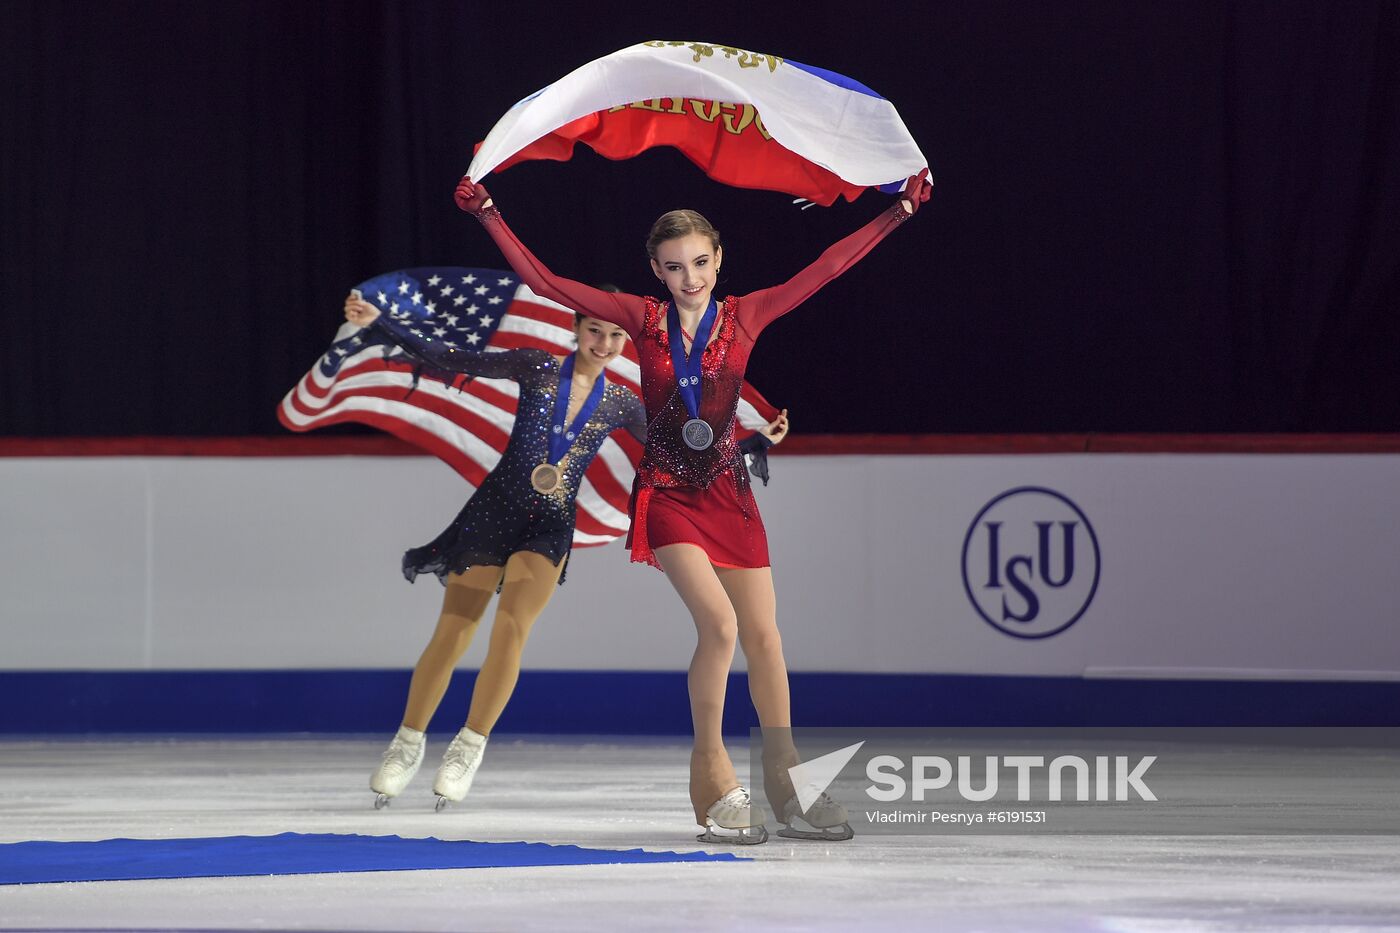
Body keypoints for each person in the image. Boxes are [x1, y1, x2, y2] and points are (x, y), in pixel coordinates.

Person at [452, 168, 932, 842]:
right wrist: (490, 213)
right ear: (655, 268)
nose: (690, 277)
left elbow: (825, 268)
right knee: (721, 627)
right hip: (670, 494)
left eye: (700, 262)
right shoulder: (642, 322)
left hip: (731, 495)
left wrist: (899, 213)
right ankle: (711, 779)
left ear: (718, 261)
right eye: (674, 266)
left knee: (766, 639)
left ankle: (786, 780)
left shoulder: (745, 316)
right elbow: (549, 283)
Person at [343, 293, 789, 810]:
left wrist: (754, 443)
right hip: (494, 513)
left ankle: (469, 745)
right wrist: (382, 324)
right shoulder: (535, 366)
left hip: (550, 525)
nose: (605, 343)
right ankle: (408, 741)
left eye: (616, 335)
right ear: (576, 329)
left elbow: (683, 444)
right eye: (595, 331)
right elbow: (456, 358)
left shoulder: (620, 402)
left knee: (511, 631)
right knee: (454, 632)